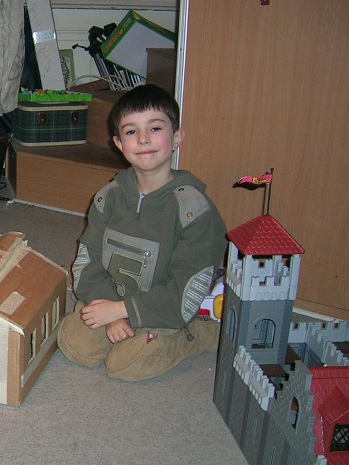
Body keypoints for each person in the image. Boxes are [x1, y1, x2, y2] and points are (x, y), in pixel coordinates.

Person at [57, 84, 227, 381]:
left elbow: (183, 293)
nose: (144, 138)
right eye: (132, 131)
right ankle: (120, 319)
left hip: (165, 309)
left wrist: (122, 310)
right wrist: (108, 310)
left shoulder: (194, 211)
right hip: (114, 298)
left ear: (176, 137)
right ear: (119, 144)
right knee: (75, 344)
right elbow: (88, 262)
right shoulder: (107, 198)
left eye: (155, 128)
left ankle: (199, 334)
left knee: (127, 365)